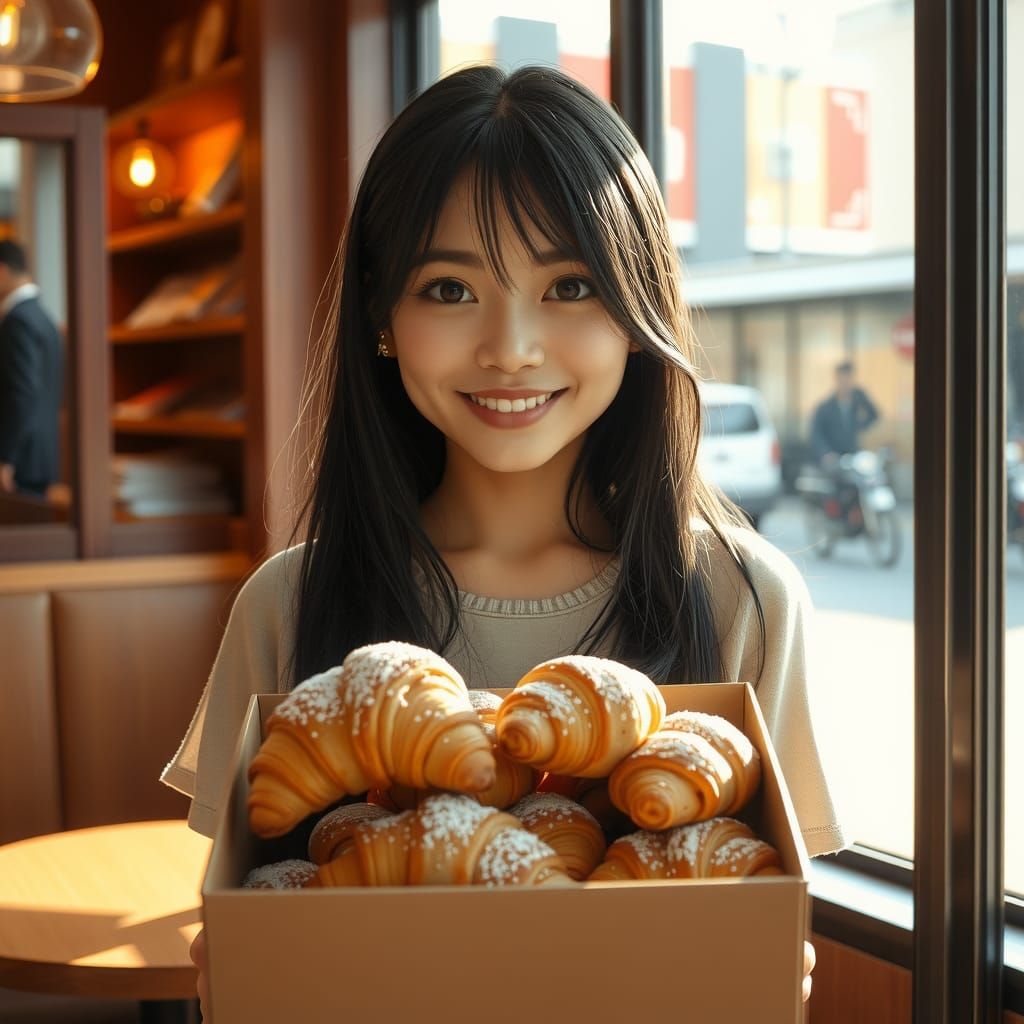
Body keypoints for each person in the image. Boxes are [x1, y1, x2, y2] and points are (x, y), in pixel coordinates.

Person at [165, 64, 844, 1014]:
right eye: (449, 288)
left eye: (570, 284)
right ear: (381, 318)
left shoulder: (744, 596)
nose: (511, 345)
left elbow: (766, 925)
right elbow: (238, 917)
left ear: (637, 312)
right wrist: (228, 972)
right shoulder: (288, 601)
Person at [0, 239, 63, 498]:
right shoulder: (42, 317)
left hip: (19, 464)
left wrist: (6, 458)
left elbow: (22, 392)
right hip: (37, 459)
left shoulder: (18, 321)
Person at [809, 360, 879, 470]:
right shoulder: (825, 407)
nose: (845, 383)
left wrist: (860, 425)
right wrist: (825, 453)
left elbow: (874, 415)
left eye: (848, 379)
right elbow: (816, 433)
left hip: (852, 454)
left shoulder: (857, 399)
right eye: (842, 379)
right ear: (837, 379)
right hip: (833, 457)